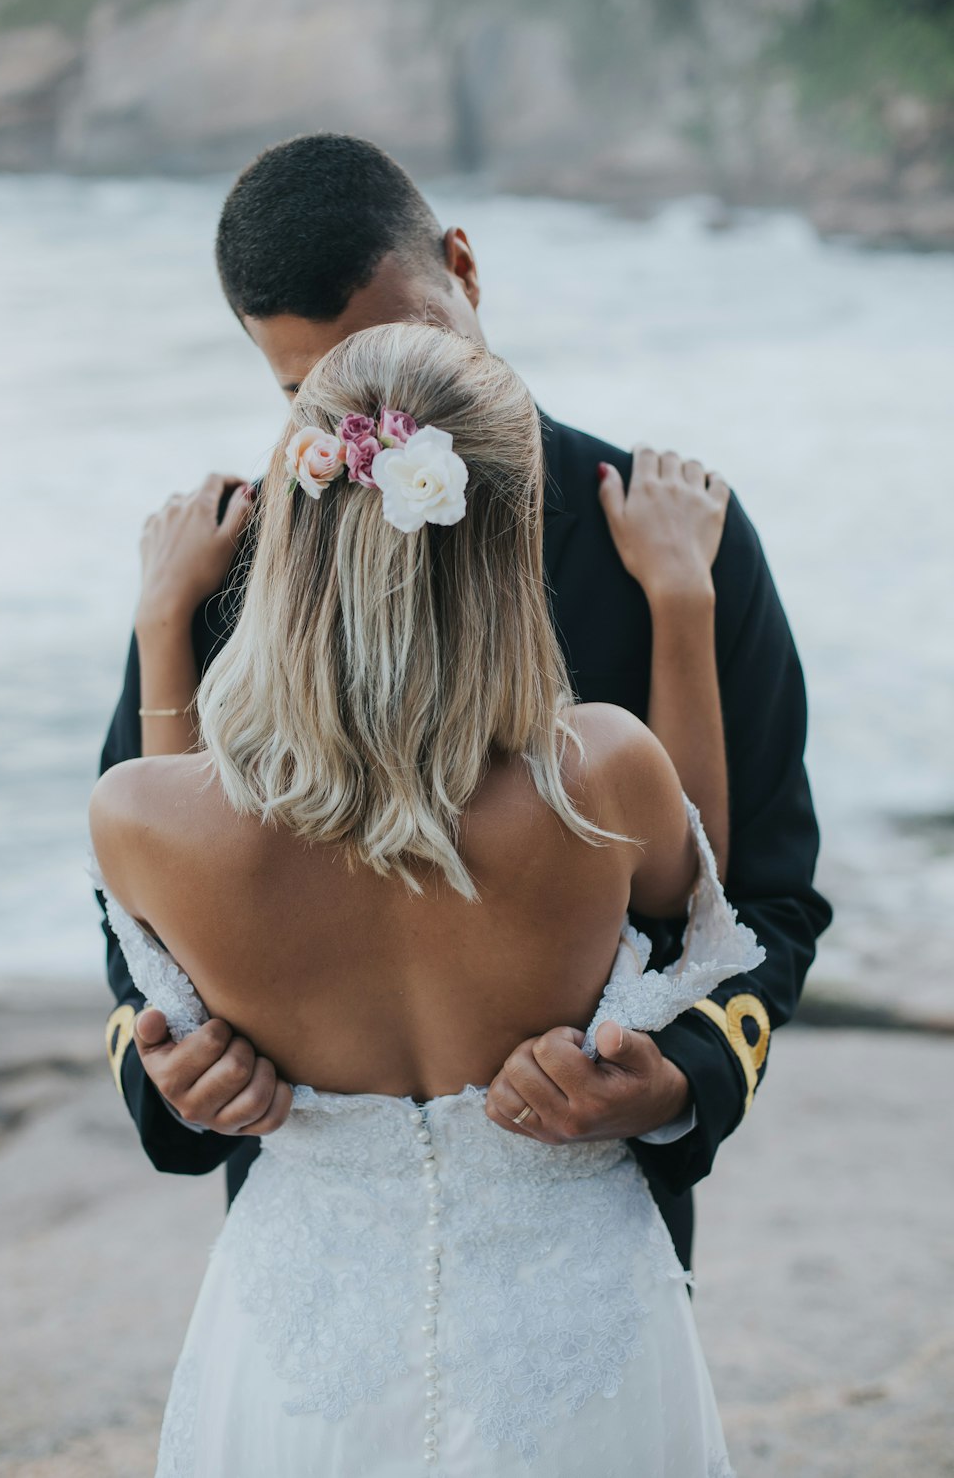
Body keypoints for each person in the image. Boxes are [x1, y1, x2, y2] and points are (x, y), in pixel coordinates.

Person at [98, 134, 831, 1275]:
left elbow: (766, 898)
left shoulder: (674, 542)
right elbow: (136, 915)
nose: (380, 419)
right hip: (317, 1219)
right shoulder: (222, 571)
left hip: (579, 1211)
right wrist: (164, 1067)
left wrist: (685, 1070)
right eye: (312, 396)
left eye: (407, 346)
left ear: (464, 267)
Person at [90, 320, 765, 1474]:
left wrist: (164, 629)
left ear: (294, 531)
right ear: (516, 549)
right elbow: (693, 875)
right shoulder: (602, 772)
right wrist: (683, 604)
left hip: (301, 1338)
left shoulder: (143, 819)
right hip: (576, 1329)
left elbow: (179, 824)